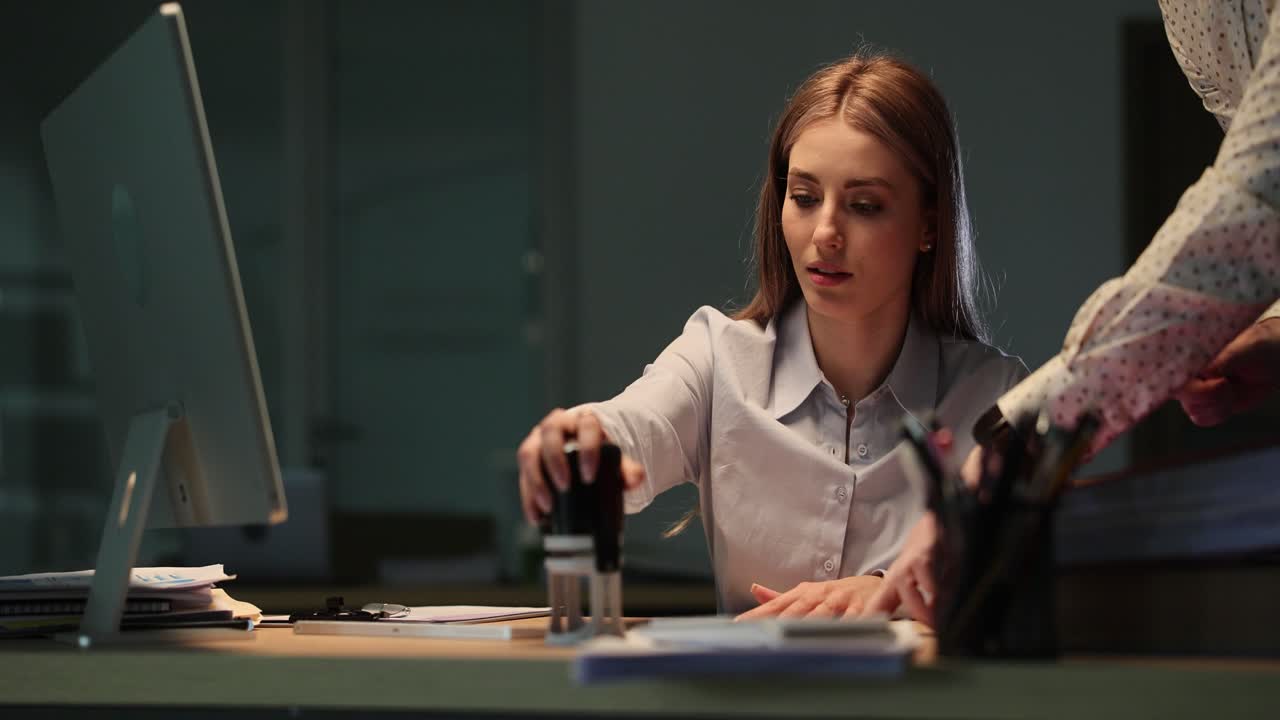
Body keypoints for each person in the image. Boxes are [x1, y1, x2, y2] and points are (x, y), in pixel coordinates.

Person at [515, 52, 1028, 617]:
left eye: (864, 205)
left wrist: (892, 591)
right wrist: (580, 443)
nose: (826, 233)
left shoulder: (997, 396)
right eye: (804, 198)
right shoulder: (717, 357)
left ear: (929, 224)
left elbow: (1019, 582)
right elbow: (634, 425)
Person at [865, 0, 1280, 625]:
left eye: (866, 204)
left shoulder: (986, 380)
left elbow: (1255, 199)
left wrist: (1032, 425)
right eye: (803, 194)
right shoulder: (1189, 13)